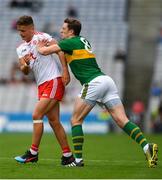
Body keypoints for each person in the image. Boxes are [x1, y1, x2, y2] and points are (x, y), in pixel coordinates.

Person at [37, 18, 158, 168]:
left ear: (71, 31)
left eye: (63, 28)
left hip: (93, 83)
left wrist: (40, 46)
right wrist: (64, 68)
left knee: (75, 120)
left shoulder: (70, 42)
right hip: (107, 81)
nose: (61, 30)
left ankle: (78, 161)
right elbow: (63, 52)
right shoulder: (82, 40)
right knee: (122, 120)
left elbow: (44, 52)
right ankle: (147, 147)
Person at [14, 15, 76, 166]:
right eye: (19, 31)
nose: (21, 34)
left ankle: (33, 153)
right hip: (42, 85)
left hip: (53, 80)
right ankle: (68, 156)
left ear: (31, 28)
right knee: (54, 121)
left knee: (37, 114)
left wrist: (65, 71)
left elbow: (60, 51)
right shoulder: (21, 48)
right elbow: (24, 70)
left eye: (23, 30)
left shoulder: (43, 37)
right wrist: (26, 65)